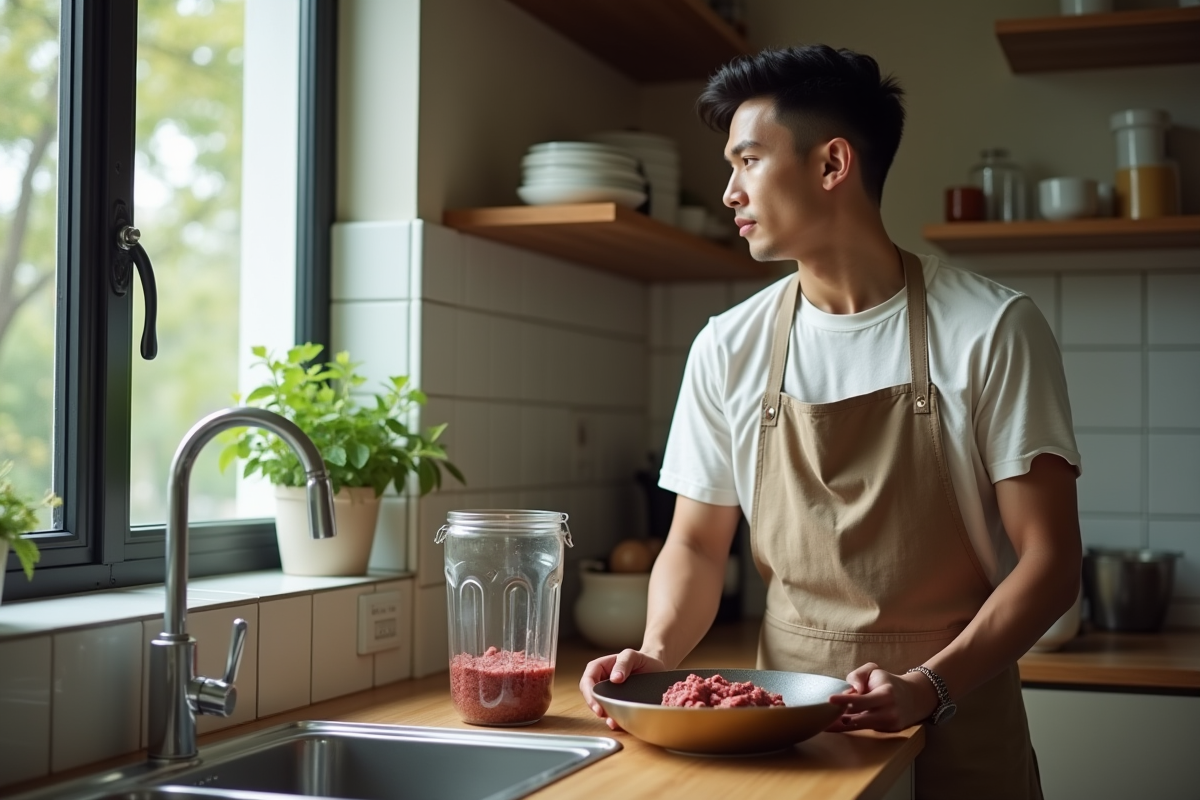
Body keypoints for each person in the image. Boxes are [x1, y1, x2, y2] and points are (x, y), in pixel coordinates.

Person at [579, 45, 1082, 799]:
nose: (729, 192)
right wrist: (657, 652)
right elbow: (694, 541)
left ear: (831, 164)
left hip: (958, 713)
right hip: (783, 731)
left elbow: (1050, 565)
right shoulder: (729, 345)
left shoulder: (991, 328)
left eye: (747, 161)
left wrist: (926, 686)